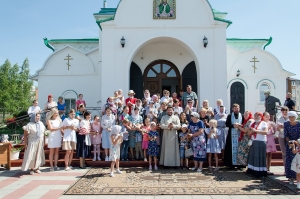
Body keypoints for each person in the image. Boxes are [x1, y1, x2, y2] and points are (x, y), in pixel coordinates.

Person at [247, 112, 268, 177]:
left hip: (261, 141)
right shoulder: (252, 124)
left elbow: (265, 132)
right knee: (254, 156)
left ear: (260, 117)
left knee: (260, 156)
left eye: (257, 116)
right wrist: (251, 131)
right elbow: (248, 133)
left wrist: (256, 131)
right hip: (254, 141)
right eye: (255, 116)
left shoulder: (263, 123)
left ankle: (260, 171)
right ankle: (252, 170)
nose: (256, 117)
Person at [224, 104, 244, 168]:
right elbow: (227, 124)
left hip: (240, 133)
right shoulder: (230, 116)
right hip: (231, 134)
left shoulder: (242, 116)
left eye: (237, 108)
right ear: (233, 109)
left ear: (239, 108)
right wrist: (233, 125)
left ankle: (240, 164)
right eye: (234, 108)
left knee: (240, 148)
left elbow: (244, 124)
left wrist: (240, 125)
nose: (236, 109)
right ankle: (231, 164)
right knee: (230, 148)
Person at [284, 111, 300, 185]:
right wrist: (289, 141)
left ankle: (298, 178)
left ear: (295, 117)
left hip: (298, 143)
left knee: (297, 162)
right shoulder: (286, 124)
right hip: (290, 144)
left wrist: (296, 142)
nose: (291, 118)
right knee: (289, 160)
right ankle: (291, 177)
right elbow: (286, 134)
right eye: (290, 117)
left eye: (292, 117)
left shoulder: (299, 124)